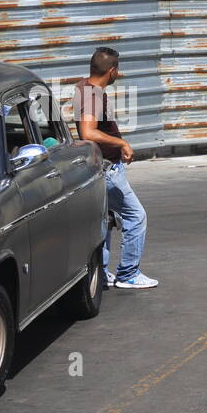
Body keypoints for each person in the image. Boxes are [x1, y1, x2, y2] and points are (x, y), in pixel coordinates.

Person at [74, 46, 158, 290]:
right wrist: (121, 142)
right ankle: (129, 273)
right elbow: (87, 132)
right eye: (117, 70)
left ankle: (101, 272)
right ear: (112, 71)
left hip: (102, 167)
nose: (118, 75)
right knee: (136, 216)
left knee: (106, 220)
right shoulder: (93, 96)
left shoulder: (84, 87)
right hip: (108, 171)